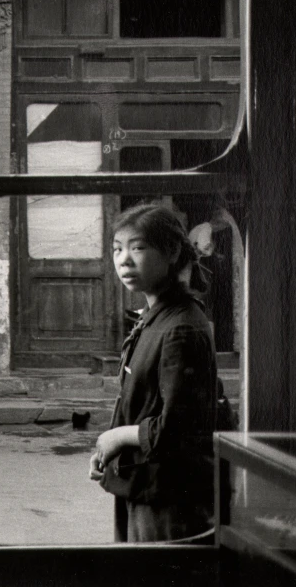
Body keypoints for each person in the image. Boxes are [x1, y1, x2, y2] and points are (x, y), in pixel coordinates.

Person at [88, 203, 218, 543]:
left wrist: (117, 437)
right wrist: (111, 453)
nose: (124, 260)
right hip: (144, 484)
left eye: (138, 248)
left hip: (169, 498)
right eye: (117, 249)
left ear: (172, 251)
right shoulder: (155, 316)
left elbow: (179, 428)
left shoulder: (179, 328)